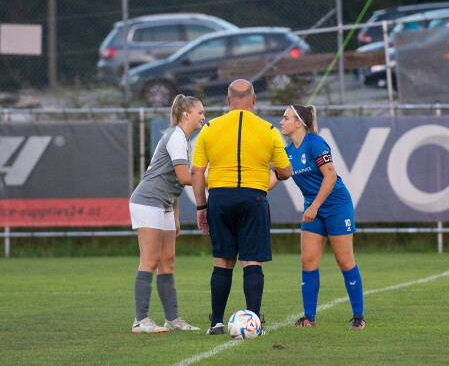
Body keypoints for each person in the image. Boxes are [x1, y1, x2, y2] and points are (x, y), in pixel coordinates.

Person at [191, 79, 292, 335]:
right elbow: (286, 171)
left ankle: (216, 323)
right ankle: (254, 322)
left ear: (228, 101)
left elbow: (196, 172)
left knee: (222, 262)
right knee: (252, 262)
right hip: (253, 199)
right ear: (254, 100)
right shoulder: (269, 129)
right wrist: (270, 175)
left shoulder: (209, 128)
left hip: (219, 198)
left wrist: (201, 206)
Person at [269, 104, 365, 329]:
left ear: (299, 123)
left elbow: (330, 178)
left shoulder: (316, 143)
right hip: (313, 208)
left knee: (344, 260)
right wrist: (250, 190)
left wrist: (315, 206)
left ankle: (359, 317)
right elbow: (273, 179)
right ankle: (309, 318)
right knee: (308, 261)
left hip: (335, 205)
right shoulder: (288, 152)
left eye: (286, 118)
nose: (281, 122)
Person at [129, 94, 205, 333]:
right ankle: (140, 321)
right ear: (186, 115)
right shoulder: (175, 137)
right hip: (148, 201)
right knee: (150, 260)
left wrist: (175, 213)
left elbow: (175, 182)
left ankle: (172, 320)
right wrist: (213, 180)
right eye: (200, 112)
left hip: (163, 204)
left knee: (167, 263)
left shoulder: (183, 138)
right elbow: (184, 177)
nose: (203, 116)